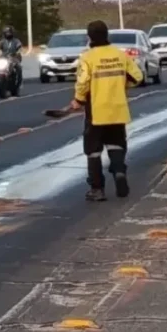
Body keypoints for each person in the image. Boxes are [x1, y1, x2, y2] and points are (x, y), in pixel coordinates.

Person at [70, 20, 144, 201]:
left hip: (96, 111)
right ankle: (119, 172)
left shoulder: (87, 57)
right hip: (118, 109)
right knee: (116, 144)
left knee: (93, 150)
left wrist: (78, 99)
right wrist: (121, 86)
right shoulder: (120, 55)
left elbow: (83, 81)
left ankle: (97, 189)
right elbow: (137, 77)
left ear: (89, 37)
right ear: (107, 35)